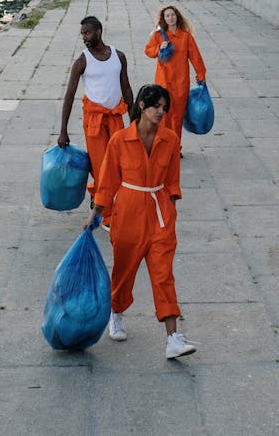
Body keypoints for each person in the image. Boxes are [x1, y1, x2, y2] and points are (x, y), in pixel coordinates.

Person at [85, 84, 196, 360]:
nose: (161, 112)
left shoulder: (170, 140)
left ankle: (172, 337)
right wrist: (95, 216)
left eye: (165, 108)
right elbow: (108, 181)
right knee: (124, 271)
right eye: (156, 106)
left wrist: (170, 213)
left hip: (159, 215)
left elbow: (172, 181)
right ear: (142, 106)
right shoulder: (120, 140)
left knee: (163, 275)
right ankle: (117, 313)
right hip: (128, 214)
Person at [59, 16, 133, 228]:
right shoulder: (82, 61)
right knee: (102, 168)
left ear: (99, 32)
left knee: (118, 166)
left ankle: (98, 197)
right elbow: (69, 95)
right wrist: (63, 130)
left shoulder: (119, 56)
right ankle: (107, 215)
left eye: (88, 33)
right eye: (82, 34)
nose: (84, 38)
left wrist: (135, 120)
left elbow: (126, 89)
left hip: (115, 118)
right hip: (94, 122)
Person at [143, 5, 206, 148]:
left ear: (177, 16)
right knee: (162, 116)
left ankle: (175, 147)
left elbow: (196, 57)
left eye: (173, 15)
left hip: (180, 83)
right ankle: (162, 145)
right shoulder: (158, 36)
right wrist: (159, 48)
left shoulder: (185, 36)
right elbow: (148, 51)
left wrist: (201, 75)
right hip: (163, 83)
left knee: (177, 117)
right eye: (167, 15)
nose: (170, 18)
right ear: (163, 19)